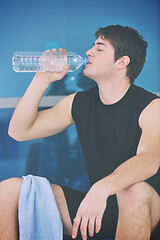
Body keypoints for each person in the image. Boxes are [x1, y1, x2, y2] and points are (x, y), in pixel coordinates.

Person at [0, 24, 160, 240]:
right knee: (8, 190)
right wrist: (42, 79)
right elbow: (19, 131)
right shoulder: (78, 103)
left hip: (145, 206)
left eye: (100, 48)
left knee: (133, 191)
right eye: (92, 46)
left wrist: (102, 188)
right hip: (98, 204)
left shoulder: (151, 106)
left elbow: (149, 159)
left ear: (122, 62)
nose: (88, 52)